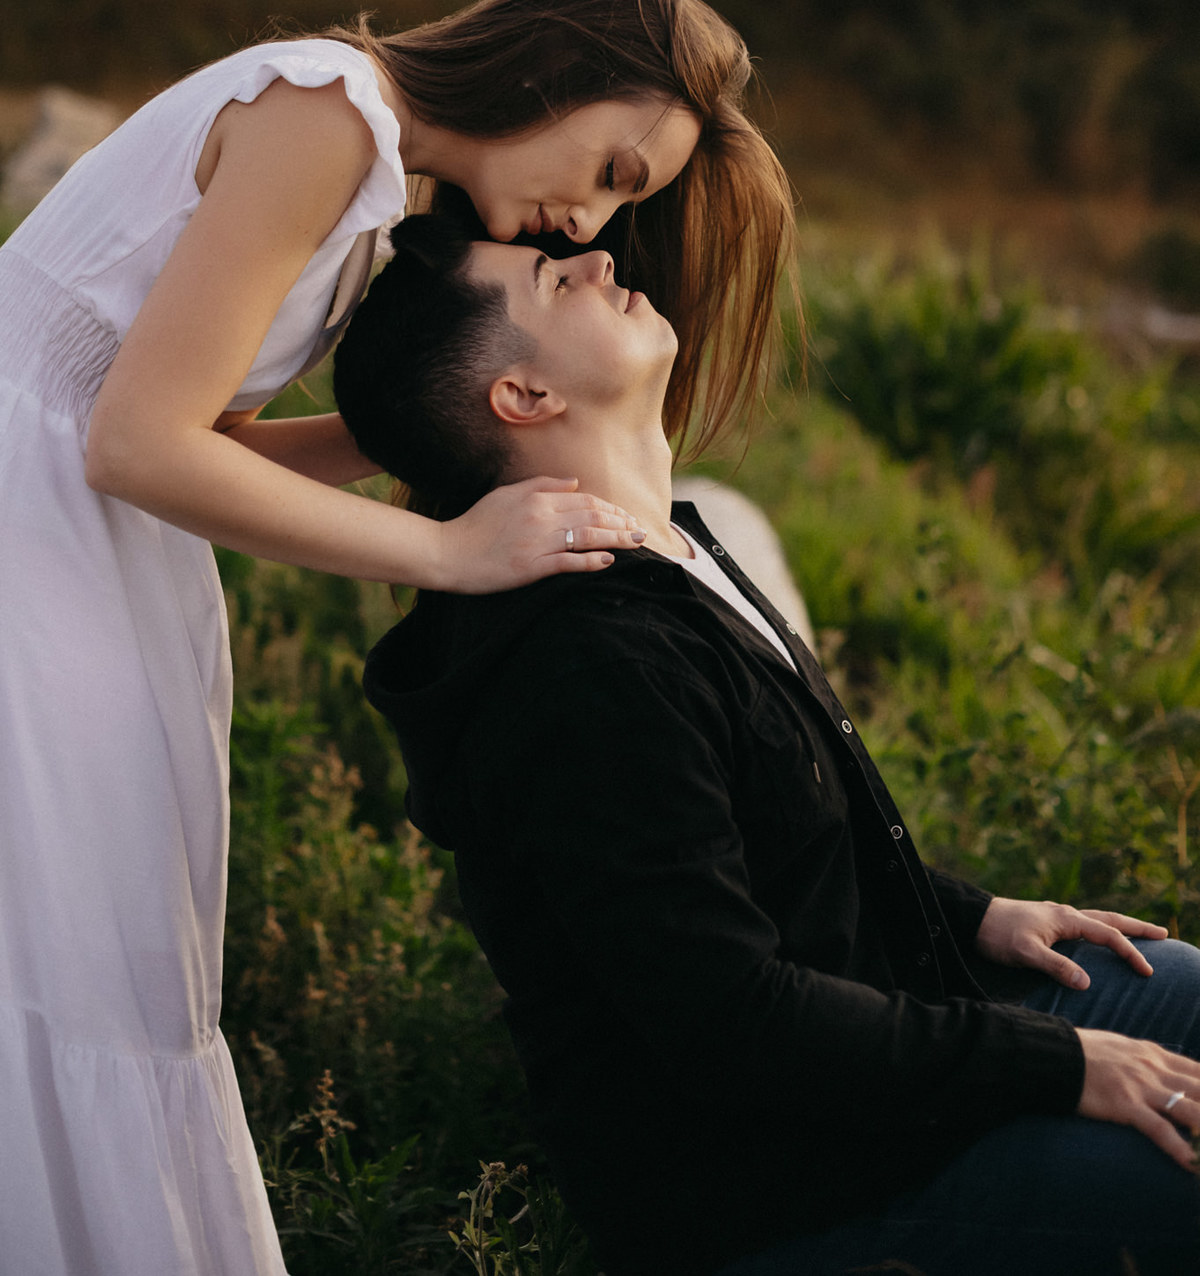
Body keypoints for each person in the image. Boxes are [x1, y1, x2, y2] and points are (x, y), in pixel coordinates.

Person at [0, 0, 794, 1276]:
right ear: (558, 68)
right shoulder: (331, 113)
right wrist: (448, 548)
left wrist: (435, 436)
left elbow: (206, 429)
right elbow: (134, 441)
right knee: (66, 955)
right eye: (613, 170)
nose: (589, 219)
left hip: (92, 541)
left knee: (115, 955)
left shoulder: (373, 179)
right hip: (37, 530)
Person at [337, 214, 1200, 1276]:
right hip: (792, 1184)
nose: (604, 258)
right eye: (557, 282)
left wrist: (970, 914)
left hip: (879, 1027)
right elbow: (731, 1020)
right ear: (524, 397)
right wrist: (1059, 1063)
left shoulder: (660, 548)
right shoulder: (583, 664)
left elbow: (775, 827)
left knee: (1185, 987)